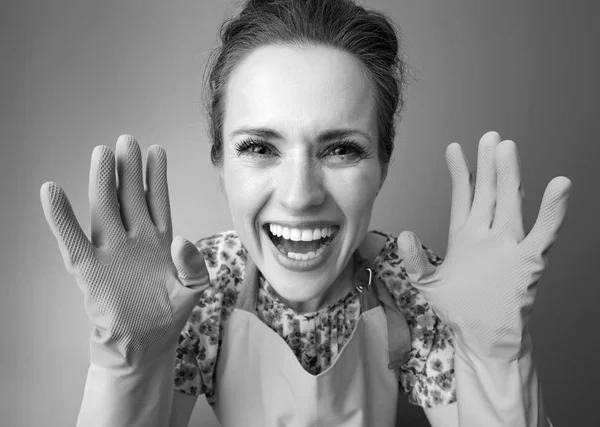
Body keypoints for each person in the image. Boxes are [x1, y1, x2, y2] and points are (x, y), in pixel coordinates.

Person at [40, 0, 571, 426]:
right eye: (258, 147)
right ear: (220, 163)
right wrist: (130, 363)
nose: (299, 196)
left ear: (383, 165)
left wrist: (498, 360)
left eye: (341, 149)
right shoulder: (197, 290)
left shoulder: (411, 286)